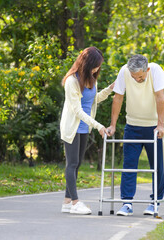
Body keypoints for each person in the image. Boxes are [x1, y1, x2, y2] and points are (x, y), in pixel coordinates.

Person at [107, 54, 164, 216]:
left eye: (140, 77)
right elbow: (118, 98)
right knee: (129, 165)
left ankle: (155, 202)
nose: (137, 80)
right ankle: (127, 202)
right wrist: (113, 125)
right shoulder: (124, 72)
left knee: (157, 166)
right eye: (134, 77)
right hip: (132, 126)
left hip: (154, 127)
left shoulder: (155, 70)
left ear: (147, 69)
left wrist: (160, 125)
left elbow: (160, 97)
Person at [60, 47, 114, 215]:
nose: (97, 69)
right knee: (72, 163)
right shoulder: (71, 81)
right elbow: (77, 110)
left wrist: (110, 89)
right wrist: (98, 126)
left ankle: (67, 202)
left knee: (77, 165)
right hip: (72, 128)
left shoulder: (91, 79)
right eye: (95, 66)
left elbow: (93, 100)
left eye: (98, 66)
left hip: (84, 128)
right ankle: (75, 202)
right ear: (86, 63)